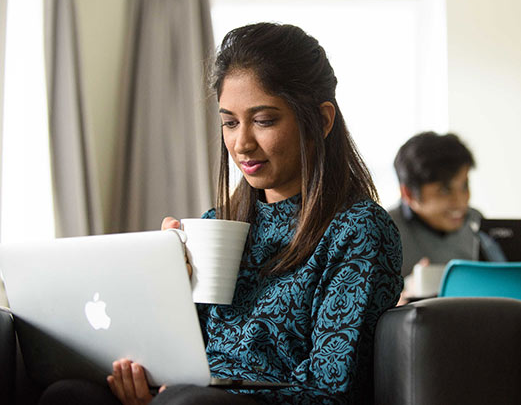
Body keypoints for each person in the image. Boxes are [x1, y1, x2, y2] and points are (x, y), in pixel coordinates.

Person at [40, 22, 403, 405]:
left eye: (263, 120)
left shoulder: (358, 229)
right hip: (187, 398)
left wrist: (186, 395)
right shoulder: (217, 225)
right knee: (67, 394)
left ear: (322, 120)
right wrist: (164, 290)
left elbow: (332, 390)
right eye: (229, 122)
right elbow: (184, 358)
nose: (241, 143)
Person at [388, 132, 505, 298]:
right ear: (408, 194)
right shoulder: (383, 230)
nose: (460, 202)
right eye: (444, 190)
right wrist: (402, 297)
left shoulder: (476, 222)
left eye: (464, 186)